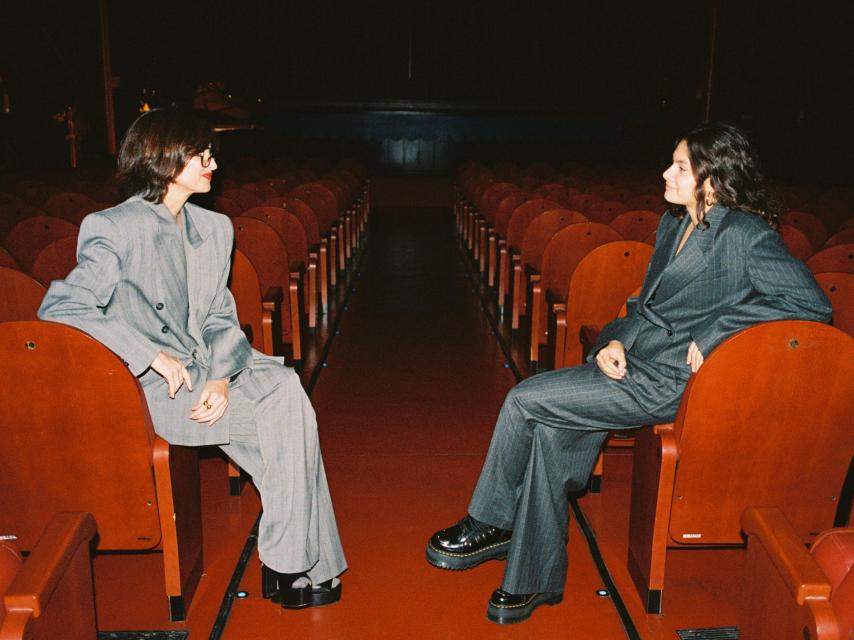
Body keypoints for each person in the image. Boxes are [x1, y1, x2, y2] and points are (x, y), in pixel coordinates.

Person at [425, 122, 833, 624]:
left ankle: (492, 521)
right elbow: (646, 302)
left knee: (524, 400)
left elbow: (810, 303)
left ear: (713, 179)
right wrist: (612, 338)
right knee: (551, 433)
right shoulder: (674, 222)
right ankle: (533, 579)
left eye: (680, 166)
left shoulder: (745, 235)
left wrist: (719, 330)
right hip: (635, 357)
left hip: (672, 382)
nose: (666, 172)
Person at [38, 108, 346, 609]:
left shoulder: (215, 227)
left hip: (207, 371)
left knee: (287, 397)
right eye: (199, 154)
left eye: (210, 154)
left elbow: (220, 314)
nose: (212, 163)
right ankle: (294, 565)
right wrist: (151, 355)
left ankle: (290, 562)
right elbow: (62, 305)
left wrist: (223, 378)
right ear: (162, 157)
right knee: (289, 425)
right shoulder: (113, 227)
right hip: (154, 386)